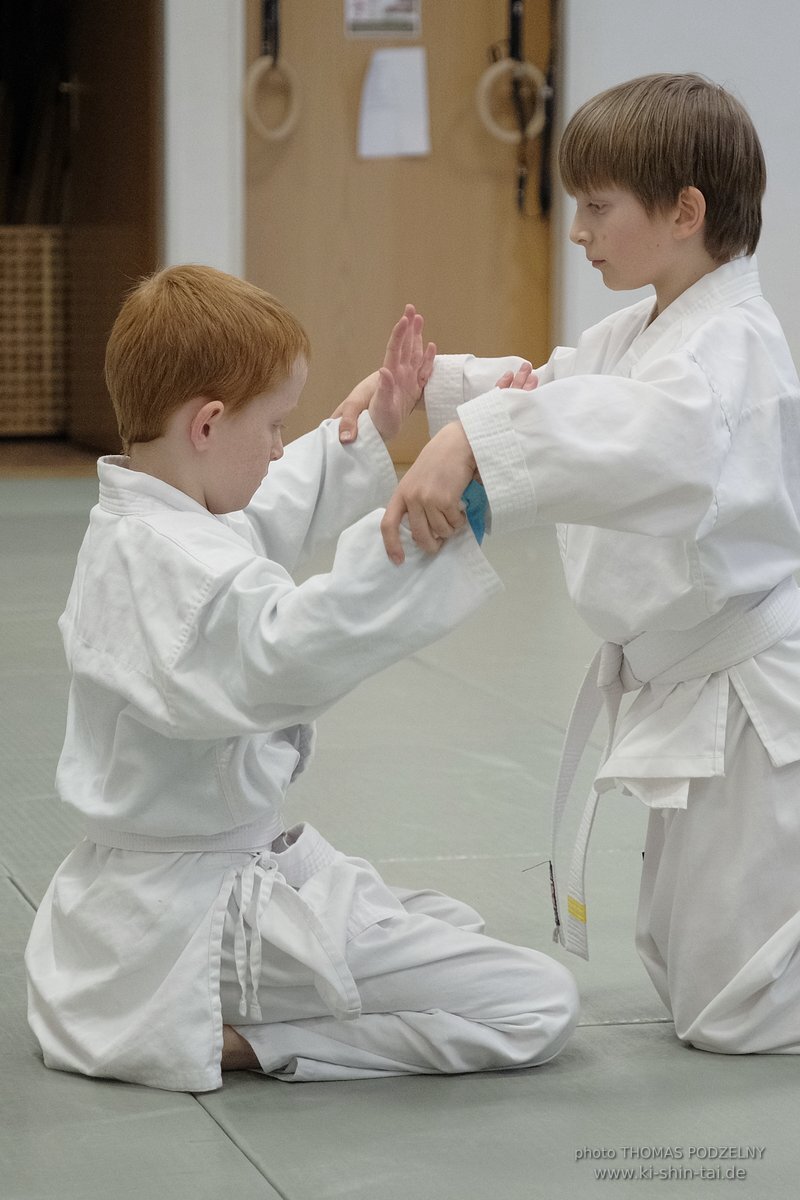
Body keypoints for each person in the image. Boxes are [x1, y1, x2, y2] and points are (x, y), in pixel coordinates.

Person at [24, 265, 578, 1092]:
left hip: (143, 901)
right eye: (275, 424)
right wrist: (448, 515)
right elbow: (296, 643)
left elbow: (262, 504)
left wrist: (373, 423)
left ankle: (179, 1011)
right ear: (207, 425)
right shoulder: (184, 571)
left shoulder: (147, 522)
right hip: (199, 915)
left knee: (451, 925)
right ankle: (233, 1038)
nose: (285, 444)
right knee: (537, 1003)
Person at [339, 73, 800, 1054]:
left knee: (737, 1010)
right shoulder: (643, 329)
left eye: (597, 208)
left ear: (684, 212)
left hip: (748, 701)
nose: (578, 232)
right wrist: (430, 391)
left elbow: (637, 435)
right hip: (685, 687)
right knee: (681, 965)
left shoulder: (731, 349)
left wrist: (472, 445)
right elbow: (555, 387)